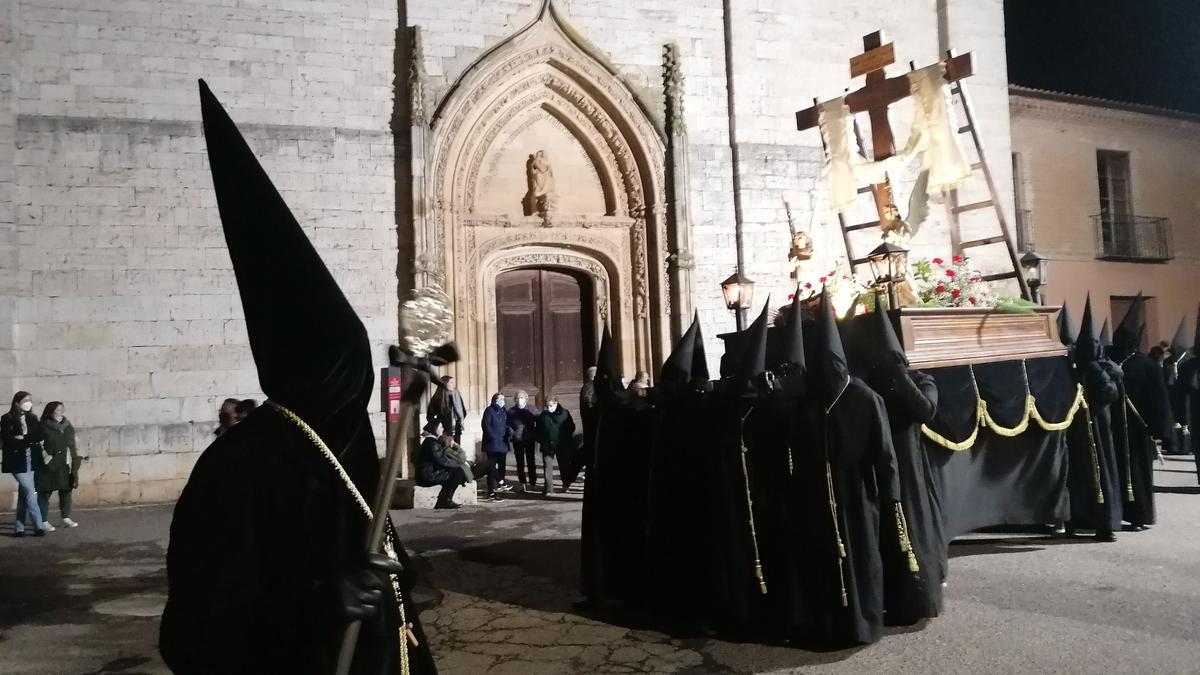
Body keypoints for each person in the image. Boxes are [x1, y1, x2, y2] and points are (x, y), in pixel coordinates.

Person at [160, 82, 437, 674]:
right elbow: (195, 631)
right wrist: (320, 603)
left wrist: (390, 575)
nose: (357, 382)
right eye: (345, 365)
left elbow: (384, 558)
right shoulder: (239, 468)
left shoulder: (342, 448)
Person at [2, 391, 47, 537]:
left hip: (31, 458)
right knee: (30, 491)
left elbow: (39, 435)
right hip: (17, 460)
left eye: (30, 400)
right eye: (26, 400)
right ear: (17, 402)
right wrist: (25, 440)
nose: (29, 403)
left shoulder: (32, 418)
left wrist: (24, 438)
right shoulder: (7, 418)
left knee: (24, 494)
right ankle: (38, 525)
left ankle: (19, 528)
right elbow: (8, 439)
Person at [417, 422, 488, 509]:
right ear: (435, 429)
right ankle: (446, 500)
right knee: (458, 472)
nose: (442, 429)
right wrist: (459, 465)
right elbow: (442, 460)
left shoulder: (430, 441)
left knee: (456, 472)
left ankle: (445, 500)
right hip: (428, 476)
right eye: (440, 427)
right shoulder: (432, 443)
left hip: (429, 474)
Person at [36, 401, 81, 529]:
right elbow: (38, 444)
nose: (60, 411)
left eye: (62, 408)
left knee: (66, 491)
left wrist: (76, 457)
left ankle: (65, 517)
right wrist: (46, 457)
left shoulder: (67, 426)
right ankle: (43, 520)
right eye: (57, 409)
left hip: (66, 462)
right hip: (50, 464)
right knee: (45, 492)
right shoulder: (43, 425)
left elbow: (74, 442)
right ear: (50, 411)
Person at [537, 396, 576, 496]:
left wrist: (565, 438)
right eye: (547, 406)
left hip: (561, 444)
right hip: (547, 444)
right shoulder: (544, 415)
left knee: (564, 465)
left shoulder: (565, 413)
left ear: (556, 403)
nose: (549, 408)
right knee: (547, 467)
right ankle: (548, 489)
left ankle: (566, 485)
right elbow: (538, 429)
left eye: (550, 405)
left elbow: (571, 427)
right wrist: (541, 440)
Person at [481, 392, 511, 500]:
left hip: (502, 444)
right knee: (491, 468)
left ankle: (500, 485)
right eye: (500, 399)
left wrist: (509, 432)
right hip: (492, 444)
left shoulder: (504, 411)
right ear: (495, 400)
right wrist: (493, 437)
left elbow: (507, 424)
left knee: (502, 466)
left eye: (503, 399)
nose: (502, 401)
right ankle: (490, 491)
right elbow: (486, 425)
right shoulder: (489, 411)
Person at [507, 390, 539, 490]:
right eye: (518, 398)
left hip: (529, 438)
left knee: (531, 461)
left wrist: (535, 433)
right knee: (519, 462)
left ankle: (533, 482)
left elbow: (539, 420)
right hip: (517, 439)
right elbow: (507, 424)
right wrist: (512, 433)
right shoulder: (511, 411)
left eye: (522, 398)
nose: (519, 400)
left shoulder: (532, 409)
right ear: (515, 399)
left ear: (526, 399)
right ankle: (522, 483)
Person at [428, 376, 467, 444]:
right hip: (444, 431)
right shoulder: (437, 398)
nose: (453, 384)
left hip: (457, 430)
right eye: (451, 382)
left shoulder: (457, 395)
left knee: (456, 452)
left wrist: (458, 422)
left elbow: (463, 412)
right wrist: (439, 427)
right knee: (446, 451)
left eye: (453, 382)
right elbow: (430, 416)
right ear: (444, 384)